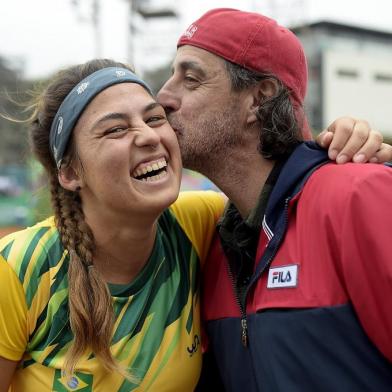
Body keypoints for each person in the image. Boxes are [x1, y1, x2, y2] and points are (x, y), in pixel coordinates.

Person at [157, 8, 392, 391]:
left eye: (191, 78)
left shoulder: (359, 195)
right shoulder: (217, 248)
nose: (164, 97)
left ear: (258, 98)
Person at [0, 59, 226, 391]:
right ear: (71, 173)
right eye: (116, 129)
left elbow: (285, 195)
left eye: (154, 118)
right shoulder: (19, 268)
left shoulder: (199, 221)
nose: (148, 136)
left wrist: (327, 147)